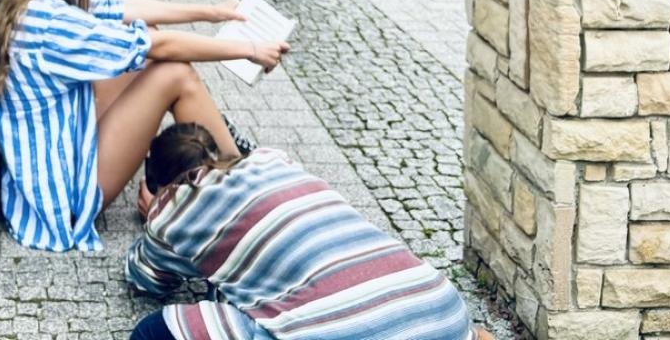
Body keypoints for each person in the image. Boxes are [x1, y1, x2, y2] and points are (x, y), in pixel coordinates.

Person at [0, 0, 288, 253]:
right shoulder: (52, 24)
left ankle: (221, 150)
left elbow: (125, 9)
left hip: (49, 155)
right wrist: (248, 49)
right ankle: (244, 189)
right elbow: (162, 46)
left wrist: (210, 12)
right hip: (64, 195)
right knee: (176, 73)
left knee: (146, 42)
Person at [126, 124, 477, 340]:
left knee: (154, 331)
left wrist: (154, 213)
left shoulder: (171, 211)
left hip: (332, 331)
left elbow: (146, 280)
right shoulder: (272, 160)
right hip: (441, 306)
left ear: (161, 180)